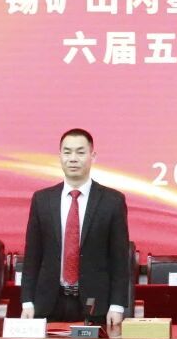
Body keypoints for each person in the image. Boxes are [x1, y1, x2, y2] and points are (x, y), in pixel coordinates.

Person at [20, 128, 131, 326]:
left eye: (80, 152)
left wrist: (117, 305)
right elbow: (32, 256)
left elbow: (119, 260)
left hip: (96, 303)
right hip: (48, 302)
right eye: (67, 152)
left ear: (92, 156)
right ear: (60, 156)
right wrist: (27, 301)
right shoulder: (42, 200)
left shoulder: (112, 201)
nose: (73, 158)